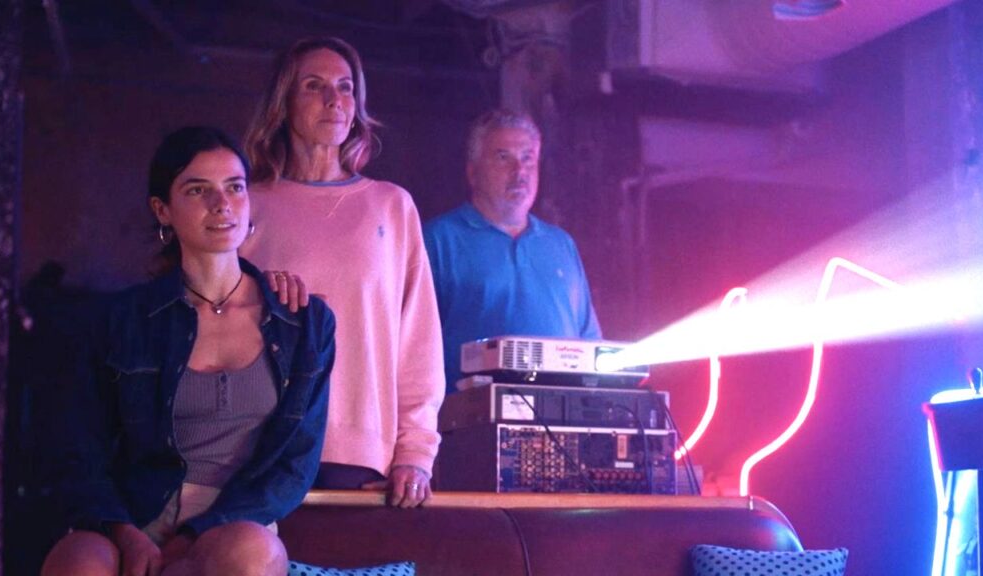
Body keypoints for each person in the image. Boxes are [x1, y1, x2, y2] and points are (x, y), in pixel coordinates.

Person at [41, 126, 335, 576]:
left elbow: (295, 464)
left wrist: (194, 535)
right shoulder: (121, 321)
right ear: (162, 210)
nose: (221, 204)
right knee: (78, 563)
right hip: (133, 514)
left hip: (235, 521)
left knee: (250, 554)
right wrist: (124, 531)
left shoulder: (304, 323)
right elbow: (78, 450)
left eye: (234, 187)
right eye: (198, 190)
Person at [241, 36, 444, 507]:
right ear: (283, 103)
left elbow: (418, 341)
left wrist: (415, 452)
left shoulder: (391, 206)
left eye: (345, 87)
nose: (334, 99)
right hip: (258, 448)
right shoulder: (246, 204)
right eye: (314, 85)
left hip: (362, 453)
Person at [423, 109, 602, 393]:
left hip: (559, 416)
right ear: (473, 172)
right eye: (503, 158)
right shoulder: (438, 240)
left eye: (528, 158)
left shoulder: (560, 244)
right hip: (467, 415)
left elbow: (590, 343)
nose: (520, 172)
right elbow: (411, 348)